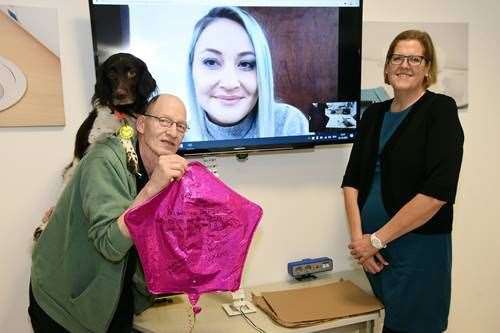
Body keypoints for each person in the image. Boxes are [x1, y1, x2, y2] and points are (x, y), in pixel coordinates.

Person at [29, 94, 189, 333]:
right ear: (141, 124)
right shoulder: (103, 159)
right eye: (164, 120)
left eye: (181, 126)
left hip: (113, 293)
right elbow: (109, 244)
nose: (173, 131)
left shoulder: (165, 169)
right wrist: (152, 188)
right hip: (64, 304)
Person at [342, 30, 464, 333]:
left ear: (427, 69)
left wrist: (375, 240)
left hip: (419, 250)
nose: (404, 65)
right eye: (397, 57)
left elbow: (437, 193)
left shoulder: (440, 110)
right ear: (386, 67)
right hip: (374, 252)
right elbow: (351, 181)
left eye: (415, 58)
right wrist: (361, 243)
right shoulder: (373, 115)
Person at [183, 6, 310, 142]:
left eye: (246, 64)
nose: (230, 84)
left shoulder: (287, 123)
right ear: (191, 70)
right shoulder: (177, 139)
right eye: (211, 62)